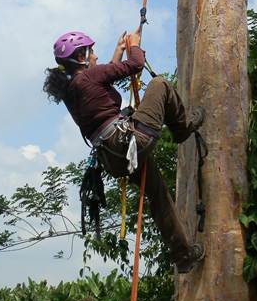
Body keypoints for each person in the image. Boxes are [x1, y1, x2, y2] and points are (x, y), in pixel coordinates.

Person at [43, 28, 205, 273]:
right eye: (91, 52)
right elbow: (136, 64)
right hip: (128, 142)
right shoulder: (89, 77)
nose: (95, 56)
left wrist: (118, 50)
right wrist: (134, 46)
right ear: (81, 58)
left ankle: (183, 257)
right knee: (160, 84)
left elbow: (102, 82)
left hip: (115, 157)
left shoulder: (72, 90)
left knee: (158, 195)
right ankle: (183, 127)